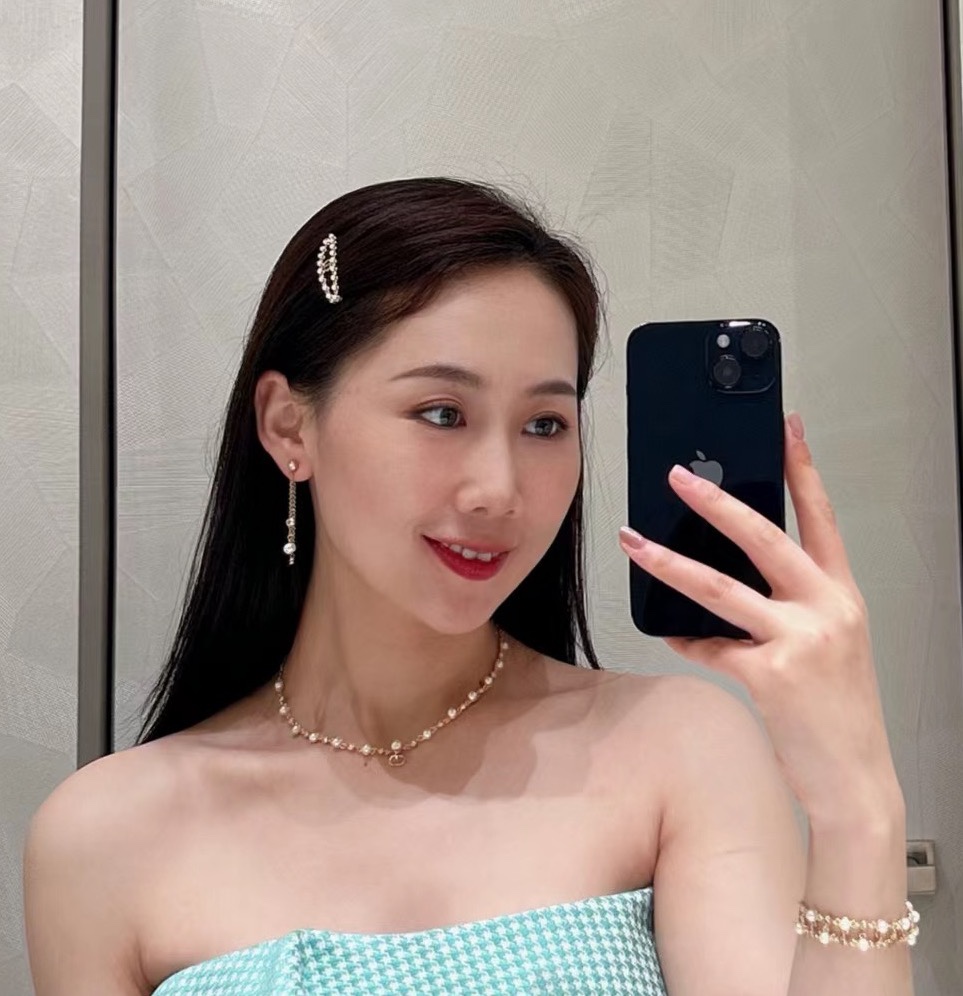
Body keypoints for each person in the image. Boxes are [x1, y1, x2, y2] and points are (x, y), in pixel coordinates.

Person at [22, 177, 916, 995]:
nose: (499, 489)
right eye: (442, 413)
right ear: (289, 426)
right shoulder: (105, 836)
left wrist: (857, 810)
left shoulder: (676, 750)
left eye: (544, 423)